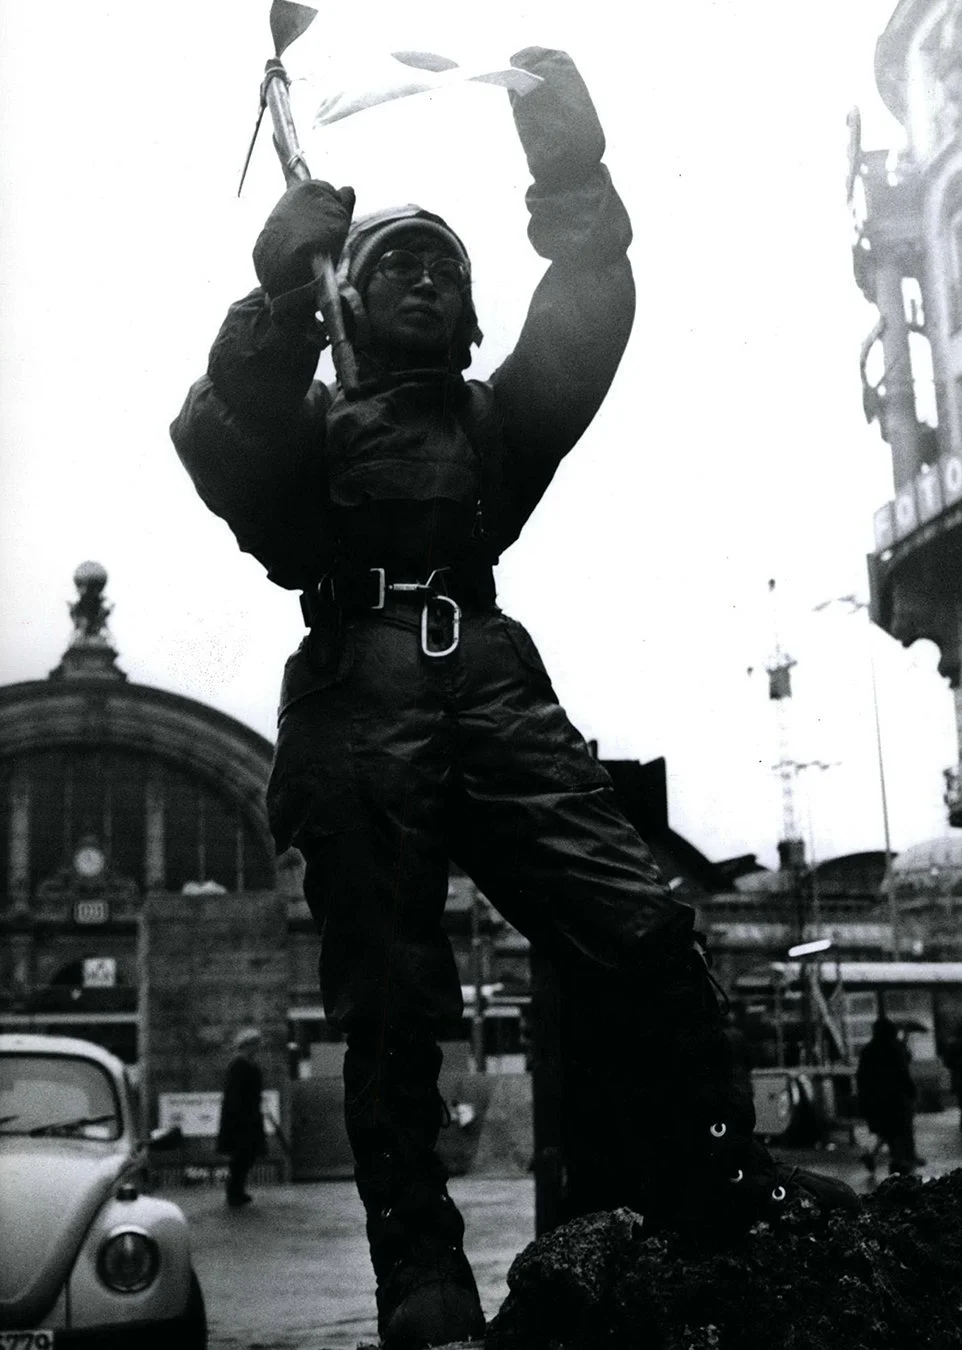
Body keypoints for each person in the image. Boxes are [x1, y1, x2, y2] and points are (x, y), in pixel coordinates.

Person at [172, 48, 857, 1349]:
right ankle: (420, 1270)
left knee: (642, 927)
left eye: (445, 263)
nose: (425, 274)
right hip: (355, 687)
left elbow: (590, 295)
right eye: (392, 262)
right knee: (388, 1000)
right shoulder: (306, 432)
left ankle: (721, 1184)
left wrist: (570, 161)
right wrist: (274, 297)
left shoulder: (498, 424)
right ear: (346, 300)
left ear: (474, 318)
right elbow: (215, 435)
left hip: (488, 672)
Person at [856, 1016, 919, 1175]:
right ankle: (897, 1162)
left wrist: (863, 1099)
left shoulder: (868, 1050)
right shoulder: (893, 1049)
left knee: (886, 1131)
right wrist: (911, 1091)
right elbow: (902, 1072)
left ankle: (880, 1157)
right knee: (897, 1131)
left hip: (875, 1099)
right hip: (895, 1098)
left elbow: (861, 1076)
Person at [217, 1028, 266, 1208]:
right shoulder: (238, 1065)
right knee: (241, 1155)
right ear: (247, 1045)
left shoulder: (249, 1064)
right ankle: (234, 1191)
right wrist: (240, 1117)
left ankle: (238, 1190)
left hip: (250, 1116)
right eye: (255, 1044)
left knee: (247, 1155)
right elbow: (234, 1094)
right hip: (241, 1119)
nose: (258, 1048)